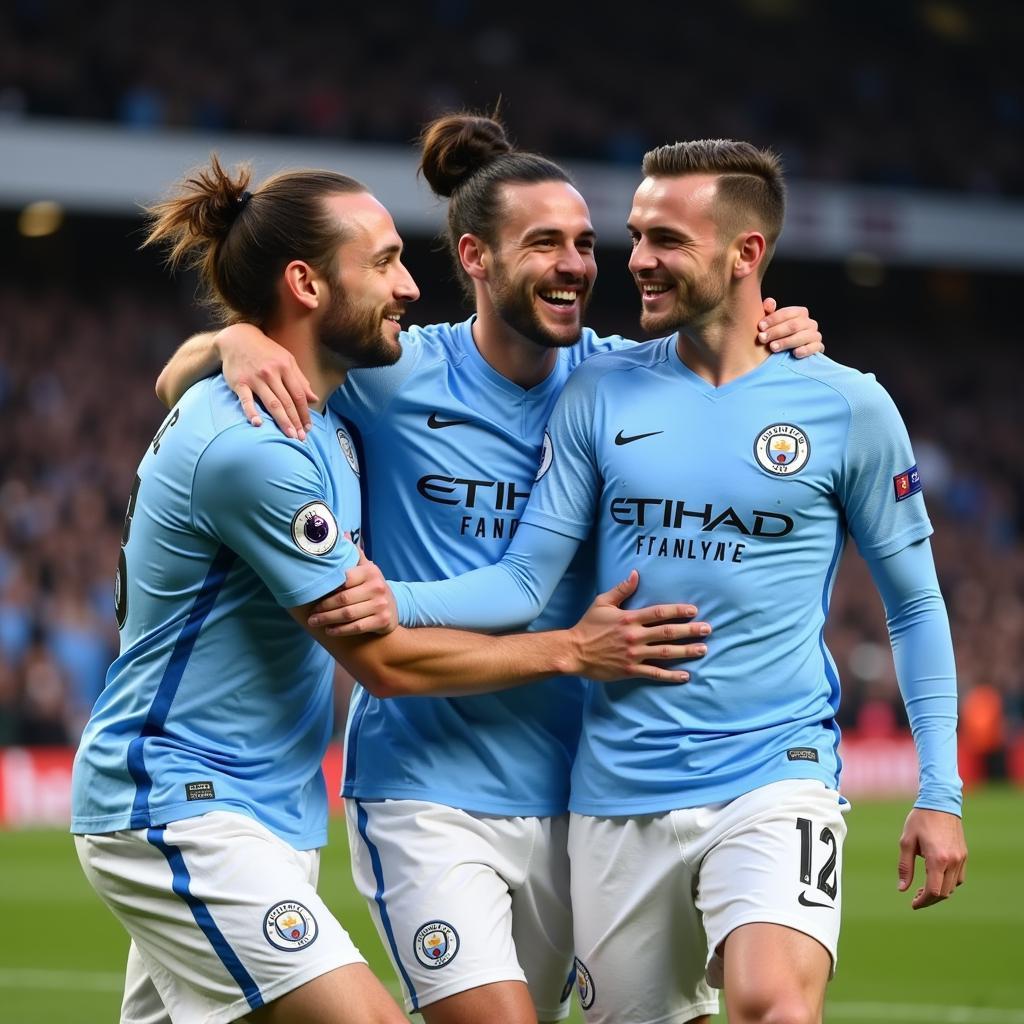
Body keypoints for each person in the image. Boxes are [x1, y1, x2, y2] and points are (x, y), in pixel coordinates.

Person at [155, 115, 823, 1024]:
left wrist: (787, 339)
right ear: (474, 257)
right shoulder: (390, 373)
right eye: (544, 243)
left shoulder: (623, 383)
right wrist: (229, 342)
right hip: (423, 785)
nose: (576, 265)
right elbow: (213, 384)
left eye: (587, 244)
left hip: (573, 792)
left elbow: (735, 363)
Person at [388, 138, 969, 1024]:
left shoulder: (846, 404)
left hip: (776, 769)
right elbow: (521, 583)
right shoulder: (600, 390)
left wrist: (939, 791)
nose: (637, 260)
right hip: (616, 792)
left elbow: (916, 602)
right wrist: (384, 602)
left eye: (666, 239)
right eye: (637, 234)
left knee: (773, 1002)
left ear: (747, 254)